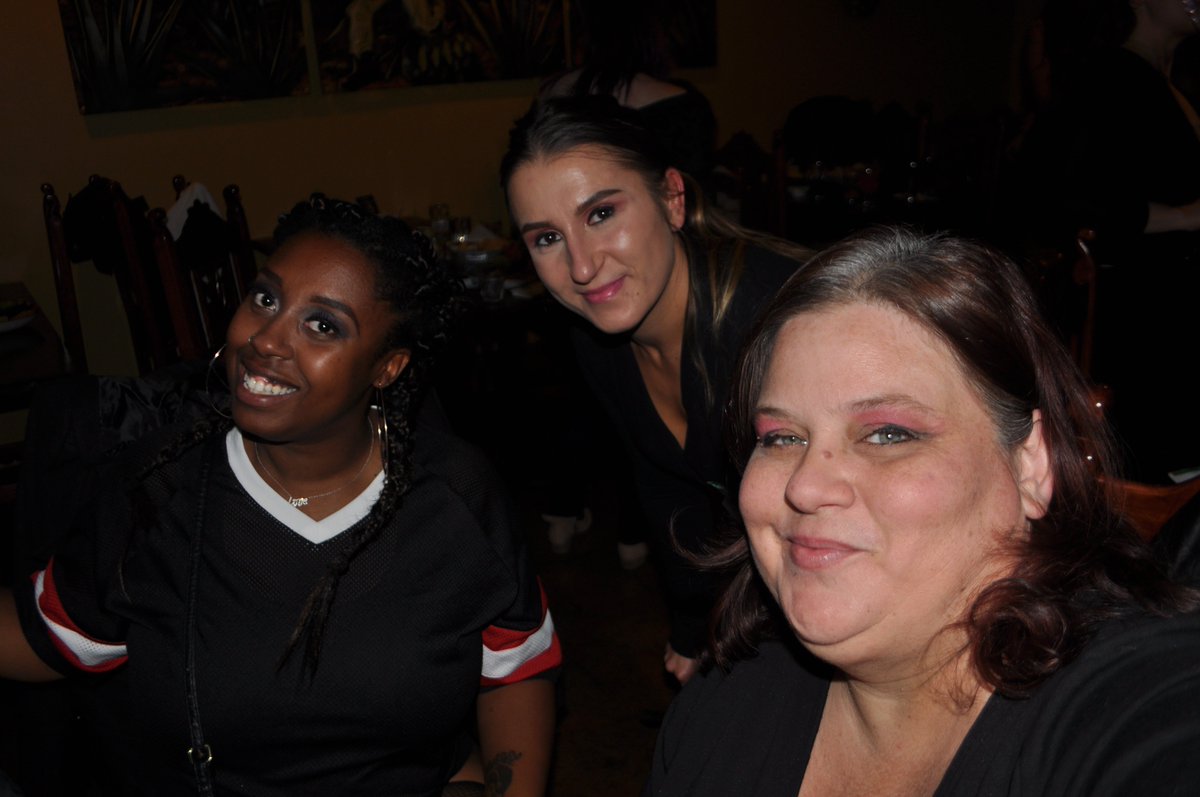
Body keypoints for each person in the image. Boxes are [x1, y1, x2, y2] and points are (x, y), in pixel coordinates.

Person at [0, 196, 560, 796]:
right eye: (266, 299)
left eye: (323, 325)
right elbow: (50, 636)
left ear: (387, 368)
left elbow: (516, 669)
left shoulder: (456, 494)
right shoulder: (158, 491)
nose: (265, 339)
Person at [644, 227, 1200, 796]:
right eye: (782, 438)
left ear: (1029, 465)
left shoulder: (1135, 705)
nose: (806, 487)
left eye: (888, 434)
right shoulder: (723, 706)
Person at [501, 95, 809, 684]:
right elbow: (666, 488)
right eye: (547, 238)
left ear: (672, 198)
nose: (582, 267)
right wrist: (693, 626)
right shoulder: (595, 338)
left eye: (601, 214)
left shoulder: (772, 329)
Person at [1021, 0, 1200, 480]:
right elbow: (1074, 198)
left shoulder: (1168, 81)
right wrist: (1188, 217)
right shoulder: (1111, 76)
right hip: (1141, 314)